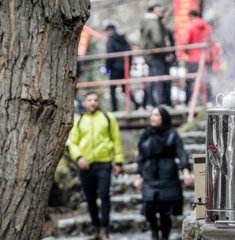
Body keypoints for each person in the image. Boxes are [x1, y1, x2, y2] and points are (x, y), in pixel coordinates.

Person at [69, 91, 124, 240]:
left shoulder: (108, 118)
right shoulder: (79, 120)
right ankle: (95, 228)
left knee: (105, 196)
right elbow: (73, 143)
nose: (92, 102)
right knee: (90, 197)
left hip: (104, 163)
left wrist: (118, 161)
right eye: (89, 100)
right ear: (85, 102)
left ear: (98, 102)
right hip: (86, 166)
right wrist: (79, 157)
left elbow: (116, 140)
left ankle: (105, 229)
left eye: (95, 100)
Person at [134, 106, 193, 240]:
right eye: (152, 115)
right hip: (149, 175)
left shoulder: (172, 133)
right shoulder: (146, 134)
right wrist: (138, 176)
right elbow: (141, 157)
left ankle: (164, 237)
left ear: (163, 118)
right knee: (149, 208)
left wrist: (186, 171)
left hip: (167, 175)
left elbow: (181, 153)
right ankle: (154, 233)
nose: (152, 118)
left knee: (165, 211)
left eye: (156, 115)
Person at [179, 10, 213, 105]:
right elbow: (211, 42)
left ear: (191, 16)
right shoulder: (208, 27)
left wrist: (186, 52)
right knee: (207, 80)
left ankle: (187, 101)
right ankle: (210, 100)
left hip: (194, 58)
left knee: (190, 80)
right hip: (206, 57)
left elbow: (185, 42)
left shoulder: (190, 26)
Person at [105, 24, 140, 111]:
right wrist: (128, 67)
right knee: (125, 88)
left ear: (109, 30)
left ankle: (114, 109)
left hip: (115, 68)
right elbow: (129, 54)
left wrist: (107, 67)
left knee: (113, 89)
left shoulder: (111, 39)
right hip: (125, 67)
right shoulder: (123, 39)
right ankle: (137, 104)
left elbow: (110, 55)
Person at [140, 4, 169, 109]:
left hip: (149, 55)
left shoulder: (145, 22)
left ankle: (149, 103)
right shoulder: (153, 22)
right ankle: (160, 103)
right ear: (152, 11)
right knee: (158, 79)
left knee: (152, 79)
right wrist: (165, 52)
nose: (161, 12)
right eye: (159, 10)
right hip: (156, 54)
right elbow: (158, 39)